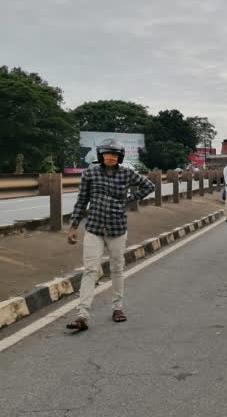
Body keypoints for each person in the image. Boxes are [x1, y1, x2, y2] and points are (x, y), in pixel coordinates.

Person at [66, 139, 155, 331]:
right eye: (107, 154)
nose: (111, 157)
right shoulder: (90, 173)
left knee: (117, 268)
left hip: (117, 229)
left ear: (120, 157)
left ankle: (117, 308)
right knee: (90, 270)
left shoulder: (126, 173)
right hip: (94, 229)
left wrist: (130, 199)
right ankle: (82, 315)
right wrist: (73, 227)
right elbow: (81, 201)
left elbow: (148, 186)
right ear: (100, 155)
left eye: (115, 155)